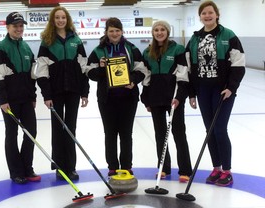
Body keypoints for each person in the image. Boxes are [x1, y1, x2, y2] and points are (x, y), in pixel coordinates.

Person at [186, 1, 245, 187]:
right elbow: (189, 68)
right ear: (200, 16)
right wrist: (192, 93)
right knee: (209, 131)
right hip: (203, 89)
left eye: (210, 12)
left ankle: (227, 170)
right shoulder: (195, 39)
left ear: (217, 15)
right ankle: (216, 168)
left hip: (222, 91)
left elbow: (238, 64)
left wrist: (231, 87)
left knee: (220, 129)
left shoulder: (228, 35)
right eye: (204, 13)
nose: (207, 16)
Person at [86, 17, 148, 176]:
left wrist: (133, 81)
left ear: (122, 31)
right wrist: (101, 69)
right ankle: (112, 166)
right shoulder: (98, 50)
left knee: (126, 133)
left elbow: (142, 70)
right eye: (111, 30)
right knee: (110, 133)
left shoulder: (131, 48)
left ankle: (126, 166)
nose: (114, 33)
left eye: (117, 30)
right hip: (107, 99)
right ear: (106, 32)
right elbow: (89, 73)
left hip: (128, 98)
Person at [35, 6, 89, 181]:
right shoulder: (47, 41)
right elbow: (42, 71)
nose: (60, 20)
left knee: (70, 128)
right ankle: (60, 167)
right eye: (57, 18)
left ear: (67, 19)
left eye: (63, 17)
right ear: (53, 20)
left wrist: (84, 92)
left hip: (73, 91)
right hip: (56, 93)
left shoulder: (76, 40)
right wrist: (47, 95)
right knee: (57, 129)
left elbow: (83, 68)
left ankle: (71, 167)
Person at [0, 12, 41, 184]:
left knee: (31, 133)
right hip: (9, 101)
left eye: (21, 26)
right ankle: (16, 171)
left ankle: (27, 168)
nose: (19, 29)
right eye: (15, 26)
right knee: (12, 134)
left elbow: (31, 76)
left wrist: (33, 96)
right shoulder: (0, 50)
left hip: (26, 99)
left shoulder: (26, 48)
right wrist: (2, 100)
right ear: (7, 27)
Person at [141, 20, 192, 183]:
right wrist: (146, 98)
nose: (159, 32)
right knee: (160, 134)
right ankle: (163, 167)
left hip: (173, 98)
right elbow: (146, 77)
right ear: (153, 33)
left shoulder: (178, 49)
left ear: (167, 32)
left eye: (162, 29)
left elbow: (183, 75)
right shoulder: (147, 51)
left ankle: (185, 170)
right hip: (156, 98)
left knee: (178, 133)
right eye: (156, 30)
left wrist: (180, 97)